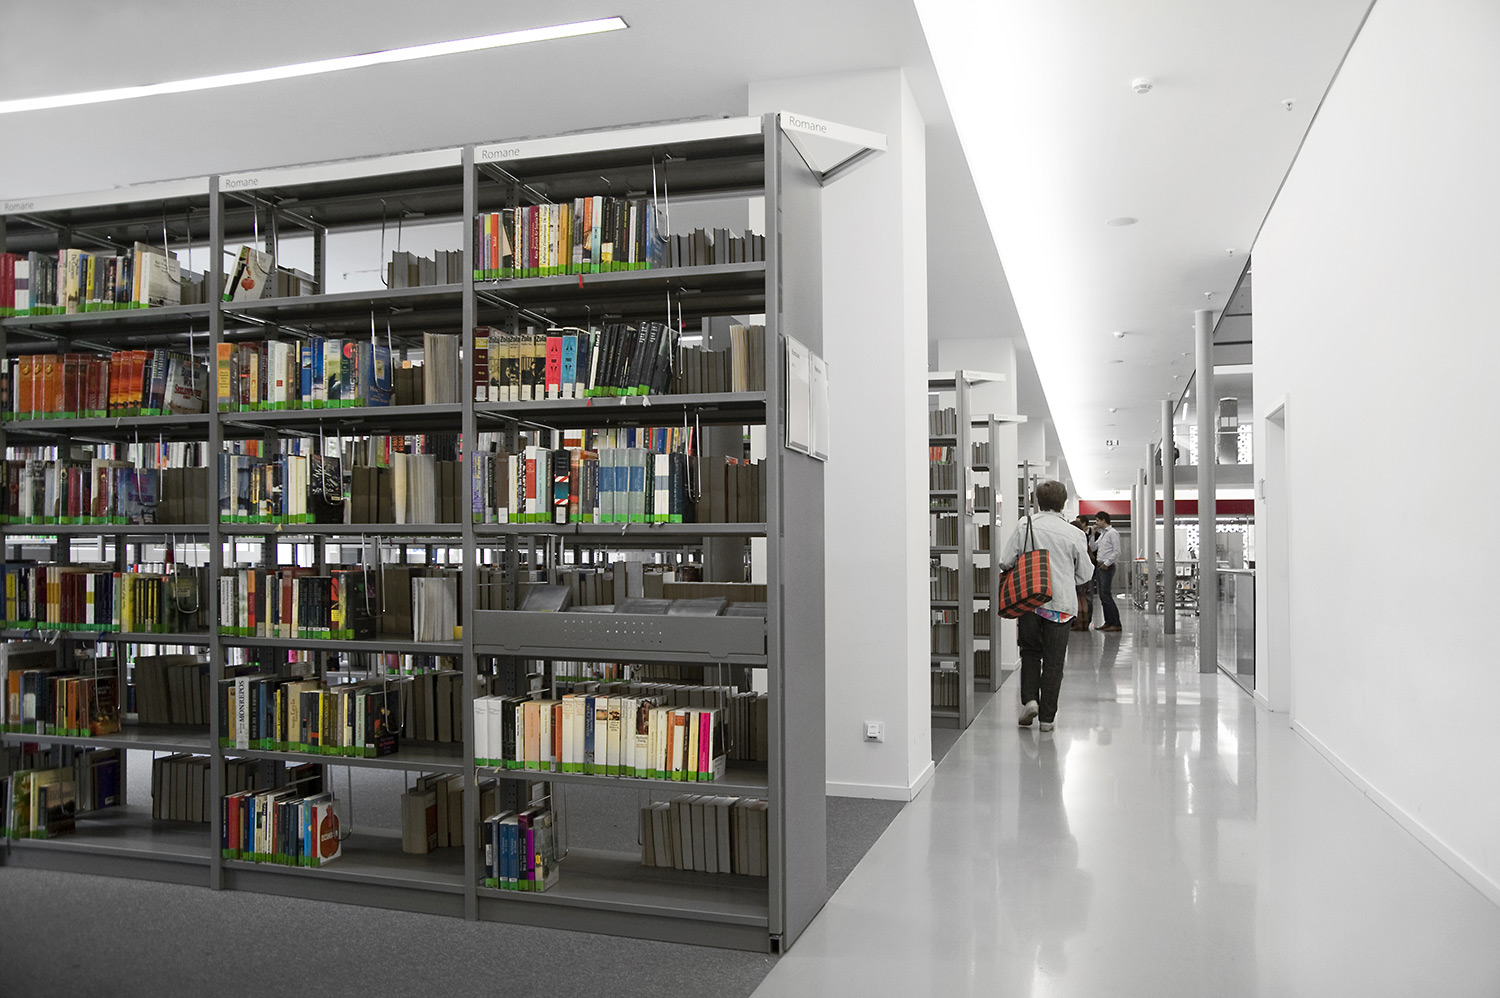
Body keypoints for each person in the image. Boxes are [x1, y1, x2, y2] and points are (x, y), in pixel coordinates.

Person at [999, 480, 1093, 732]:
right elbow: (1085, 574)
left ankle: (1030, 700)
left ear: (1037, 502)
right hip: (1061, 605)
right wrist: (1064, 578)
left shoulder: (1025, 524)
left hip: (1030, 601)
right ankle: (1047, 719)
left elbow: (1005, 561)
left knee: (1030, 651)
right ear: (1063, 503)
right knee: (1054, 660)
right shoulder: (1075, 533)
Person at [1091, 512, 1122, 632]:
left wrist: (1107, 563)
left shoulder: (1112, 533)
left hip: (1106, 567)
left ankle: (1116, 623)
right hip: (1100, 566)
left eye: (1098, 520)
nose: (1096, 523)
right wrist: (1092, 535)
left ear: (1104, 520)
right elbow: (1093, 547)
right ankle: (1108, 622)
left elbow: (1117, 551)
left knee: (1106, 595)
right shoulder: (1103, 534)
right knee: (1103, 596)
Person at [1069, 516, 1096, 631]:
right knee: (1084, 598)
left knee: (1078, 598)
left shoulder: (1074, 539)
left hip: (1077, 573)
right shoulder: (1083, 539)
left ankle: (1078, 622)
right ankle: (1085, 622)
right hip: (1086, 572)